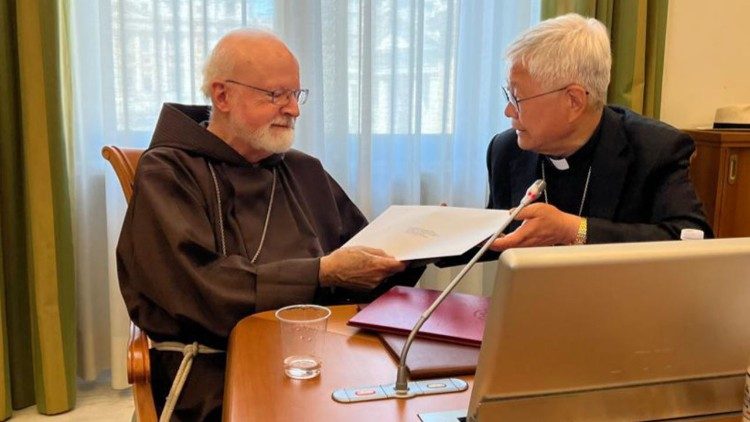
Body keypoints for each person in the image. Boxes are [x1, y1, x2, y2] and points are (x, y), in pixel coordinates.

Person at [117, 29, 417, 421]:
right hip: (218, 371)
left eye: (297, 95)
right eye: (277, 95)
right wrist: (322, 271)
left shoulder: (303, 169)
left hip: (326, 358)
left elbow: (360, 260)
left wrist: (421, 242)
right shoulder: (169, 172)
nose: (294, 110)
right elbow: (200, 289)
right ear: (222, 95)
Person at [486, 13, 712, 251]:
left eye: (517, 97)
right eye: (508, 94)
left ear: (573, 101)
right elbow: (496, 236)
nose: (508, 111)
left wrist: (574, 230)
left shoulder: (656, 149)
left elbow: (694, 239)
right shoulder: (506, 150)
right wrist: (446, 231)